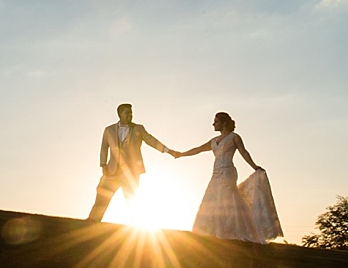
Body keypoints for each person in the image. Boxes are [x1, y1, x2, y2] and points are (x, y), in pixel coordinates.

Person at [171, 112, 282, 243]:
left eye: (216, 121)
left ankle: (235, 230)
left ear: (224, 123)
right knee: (213, 199)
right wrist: (180, 154)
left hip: (228, 172)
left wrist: (254, 166)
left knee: (228, 198)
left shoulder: (234, 137)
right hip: (216, 173)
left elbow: (244, 152)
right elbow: (198, 149)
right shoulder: (213, 141)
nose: (213, 124)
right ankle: (216, 231)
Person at [87, 103, 174, 222]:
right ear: (119, 114)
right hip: (111, 171)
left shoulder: (139, 128)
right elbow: (104, 147)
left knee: (132, 200)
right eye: (126, 112)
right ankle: (91, 222)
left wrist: (167, 150)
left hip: (131, 172)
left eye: (131, 112)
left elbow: (151, 140)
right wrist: (103, 164)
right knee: (101, 197)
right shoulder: (109, 130)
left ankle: (135, 227)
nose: (130, 115)